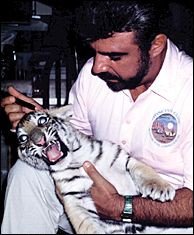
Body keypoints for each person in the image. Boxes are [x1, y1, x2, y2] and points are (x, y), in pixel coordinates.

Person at [1, 0, 193, 234]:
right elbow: (78, 143)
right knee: (27, 174)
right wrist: (42, 125)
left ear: (155, 46)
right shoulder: (95, 78)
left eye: (114, 56)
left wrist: (121, 207)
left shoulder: (188, 88)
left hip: (167, 217)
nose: (97, 67)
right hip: (96, 195)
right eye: (95, 52)